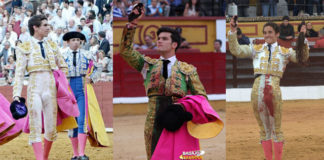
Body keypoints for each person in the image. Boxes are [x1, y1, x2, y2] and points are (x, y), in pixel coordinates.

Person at [120, 7, 210, 160]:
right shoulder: (147, 65)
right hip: (153, 123)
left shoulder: (187, 70)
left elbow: (201, 97)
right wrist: (132, 25)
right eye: (158, 38)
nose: (159, 41)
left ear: (174, 44)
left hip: (179, 122)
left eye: (164, 39)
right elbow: (126, 52)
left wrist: (183, 109)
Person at [228, 16, 309, 160]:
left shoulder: (285, 52)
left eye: (270, 32)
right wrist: (233, 31)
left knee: (276, 129)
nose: (267, 35)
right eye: (265, 32)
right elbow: (236, 50)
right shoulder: (256, 49)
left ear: (277, 34)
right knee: (264, 129)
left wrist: (303, 37)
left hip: (273, 91)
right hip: (257, 91)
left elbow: (302, 57)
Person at [13, 15, 69, 160]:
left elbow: (63, 66)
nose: (48, 27)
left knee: (51, 129)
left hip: (50, 87)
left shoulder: (52, 44)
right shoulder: (23, 47)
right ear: (35, 28)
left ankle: (44, 157)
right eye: (44, 25)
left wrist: (62, 85)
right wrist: (16, 95)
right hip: (34, 87)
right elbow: (19, 74)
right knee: (35, 125)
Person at [62, 31, 103, 160]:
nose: (75, 42)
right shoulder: (62, 56)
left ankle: (81, 153)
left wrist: (92, 78)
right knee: (72, 123)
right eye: (73, 40)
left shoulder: (87, 54)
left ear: (80, 42)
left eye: (78, 40)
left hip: (81, 89)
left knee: (81, 121)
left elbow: (98, 67)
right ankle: (75, 154)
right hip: (68, 91)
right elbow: (56, 72)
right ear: (68, 42)